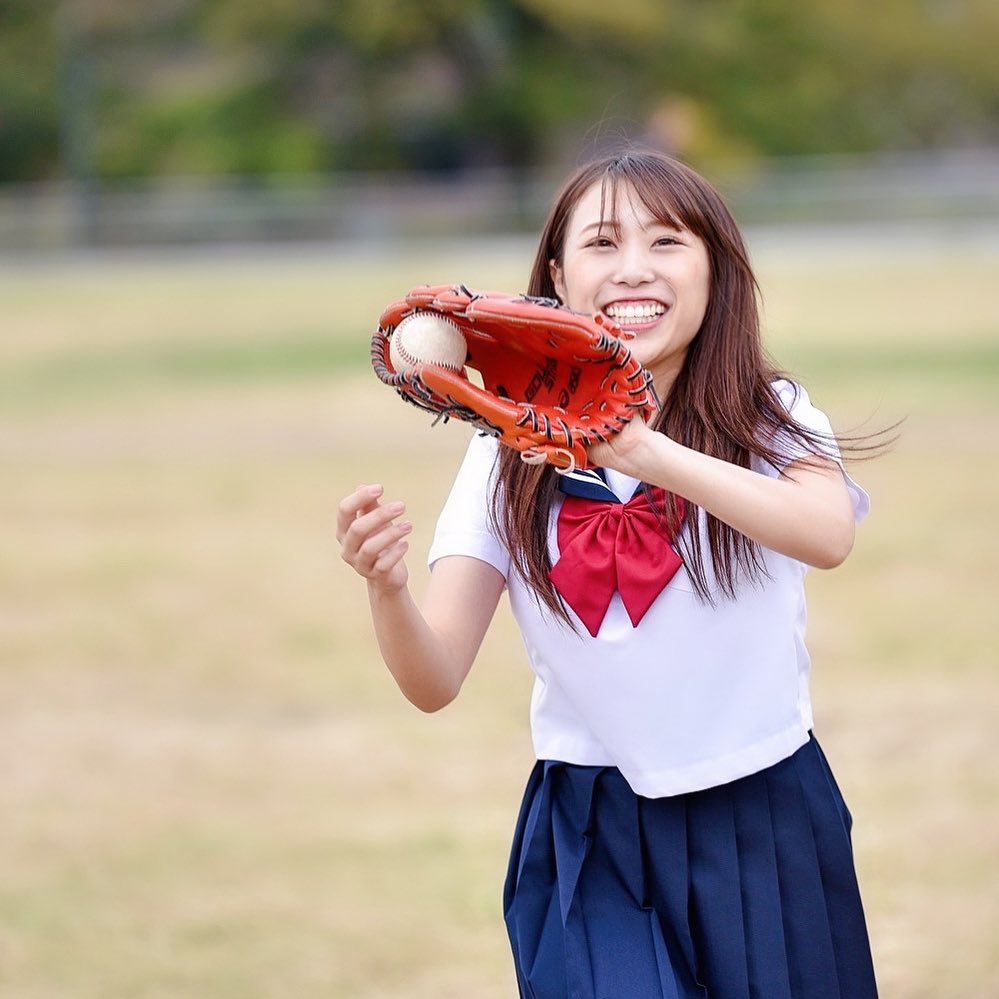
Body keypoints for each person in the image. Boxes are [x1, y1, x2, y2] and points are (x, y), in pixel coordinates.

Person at [337, 150, 880, 998]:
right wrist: (386, 587)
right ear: (555, 276)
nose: (634, 269)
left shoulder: (770, 415)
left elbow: (826, 533)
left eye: (667, 242)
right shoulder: (503, 454)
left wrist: (646, 452)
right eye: (600, 243)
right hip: (591, 833)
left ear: (714, 270)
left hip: (764, 812)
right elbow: (434, 677)